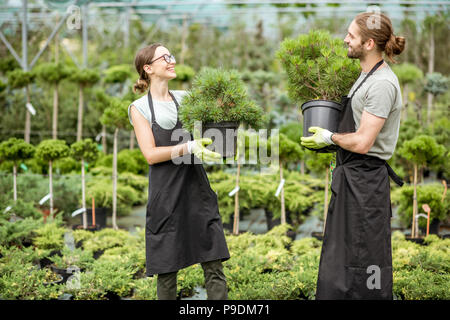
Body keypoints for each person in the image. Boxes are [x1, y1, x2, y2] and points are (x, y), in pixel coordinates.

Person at [301, 12, 405, 299]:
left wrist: (331, 137)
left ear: (369, 43)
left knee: (364, 260)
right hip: (352, 178)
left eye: (351, 35)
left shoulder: (382, 84)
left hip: (366, 183)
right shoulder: (365, 76)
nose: (345, 39)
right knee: (342, 257)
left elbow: (362, 141)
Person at [129, 43, 230, 300]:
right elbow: (151, 155)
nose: (171, 60)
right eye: (165, 57)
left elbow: (217, 114)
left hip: (197, 190)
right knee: (167, 269)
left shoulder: (185, 98)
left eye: (171, 55)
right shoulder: (139, 108)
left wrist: (225, 105)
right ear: (148, 68)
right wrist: (189, 146)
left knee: (214, 262)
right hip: (166, 197)